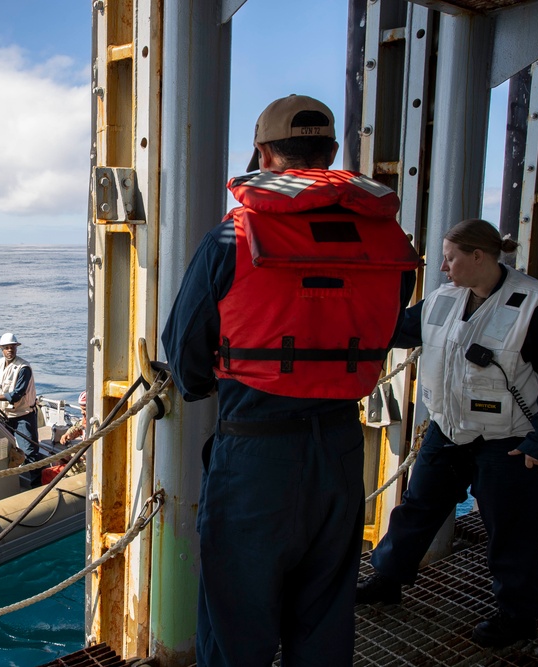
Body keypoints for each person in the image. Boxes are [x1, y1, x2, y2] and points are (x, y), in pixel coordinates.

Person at [161, 94, 418, 667]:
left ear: (263, 154)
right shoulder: (387, 240)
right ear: (330, 153)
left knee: (235, 621)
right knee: (325, 614)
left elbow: (185, 353)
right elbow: (390, 319)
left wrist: (203, 384)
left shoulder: (234, 235)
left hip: (254, 454)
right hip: (339, 450)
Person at [356, 219, 538, 648]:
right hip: (449, 430)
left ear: (479, 257)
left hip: (509, 441)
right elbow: (398, 329)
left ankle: (518, 615)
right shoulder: (442, 300)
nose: (443, 266)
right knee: (417, 508)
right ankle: (388, 579)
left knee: (512, 530)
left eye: (451, 257)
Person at [0, 332, 43, 485]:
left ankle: (35, 484)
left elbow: (16, 395)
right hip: (3, 415)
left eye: (12, 347)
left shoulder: (23, 368)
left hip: (23, 415)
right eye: (6, 348)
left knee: (30, 451)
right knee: (0, 450)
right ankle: (5, 484)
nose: (10, 350)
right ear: (1, 349)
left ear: (16, 348)